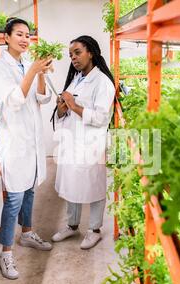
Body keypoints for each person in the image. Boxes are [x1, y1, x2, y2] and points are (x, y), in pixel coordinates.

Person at [0, 18, 53, 280]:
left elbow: (42, 98)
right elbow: (14, 102)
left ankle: (27, 234)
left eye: (28, 35)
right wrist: (31, 72)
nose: (25, 39)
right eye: (19, 34)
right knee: (13, 198)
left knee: (29, 190)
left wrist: (39, 74)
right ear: (6, 37)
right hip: (15, 142)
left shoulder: (27, 63)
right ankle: (5, 252)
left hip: (32, 141)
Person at [51, 35, 115, 249]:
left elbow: (101, 118)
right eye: (71, 55)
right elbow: (67, 111)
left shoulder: (103, 83)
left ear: (91, 53)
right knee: (72, 184)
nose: (74, 58)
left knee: (94, 185)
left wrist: (74, 105)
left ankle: (94, 229)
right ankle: (72, 225)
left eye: (77, 52)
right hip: (72, 142)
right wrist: (61, 110)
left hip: (91, 144)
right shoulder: (77, 77)